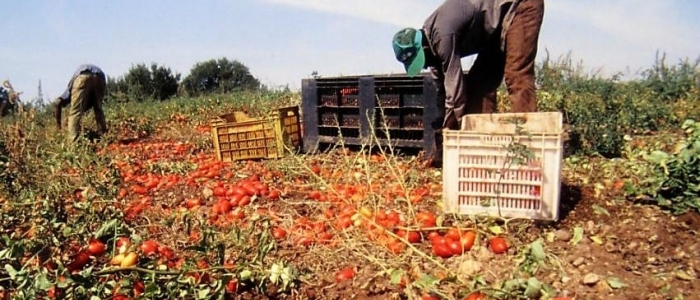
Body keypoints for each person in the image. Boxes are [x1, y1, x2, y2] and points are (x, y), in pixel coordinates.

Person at [391, 0, 544, 166]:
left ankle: (527, 153)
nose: (425, 65)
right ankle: (485, 157)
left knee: (517, 74)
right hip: (494, 31)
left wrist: (448, 131)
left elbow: (455, 94)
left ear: (424, 48)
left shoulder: (442, 36)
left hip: (520, 7)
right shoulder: (433, 53)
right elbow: (442, 93)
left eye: (422, 60)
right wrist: (439, 125)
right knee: (479, 87)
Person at [54, 64, 108, 143]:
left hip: (82, 75)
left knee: (75, 112)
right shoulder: (89, 97)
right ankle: (104, 137)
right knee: (98, 109)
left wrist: (58, 126)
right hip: (99, 76)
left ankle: (73, 142)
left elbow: (57, 102)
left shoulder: (68, 92)